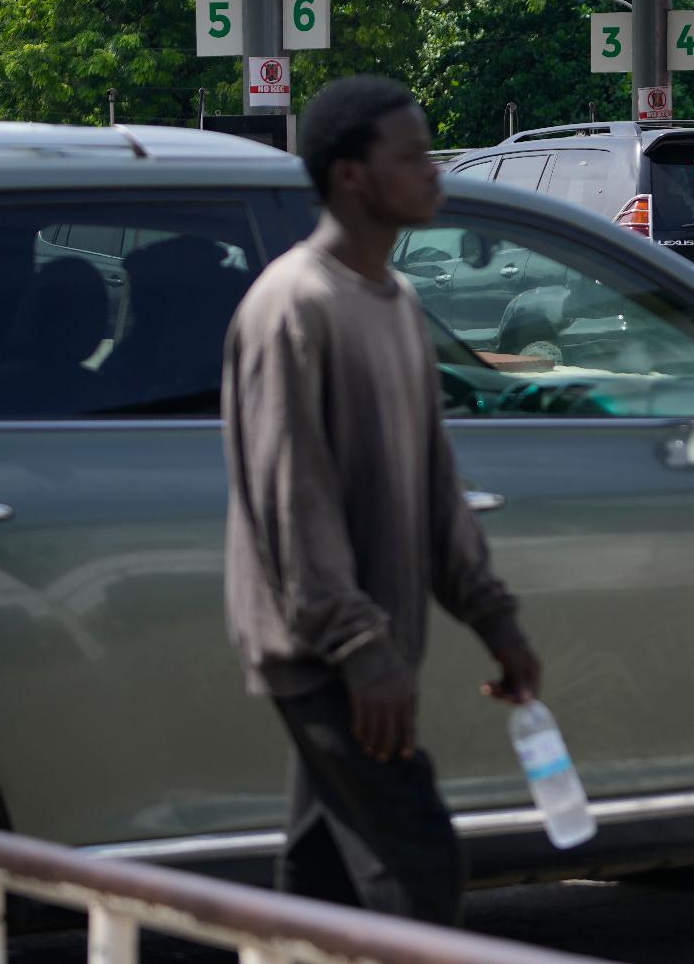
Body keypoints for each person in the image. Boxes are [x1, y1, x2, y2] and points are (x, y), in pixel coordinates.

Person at [222, 76, 542, 926]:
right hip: (323, 649)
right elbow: (295, 501)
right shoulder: (293, 306)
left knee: (324, 874)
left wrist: (492, 615)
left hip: (366, 641)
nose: (432, 171)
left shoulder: (395, 302)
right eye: (410, 156)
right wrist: (363, 650)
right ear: (351, 175)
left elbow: (431, 477)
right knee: (419, 862)